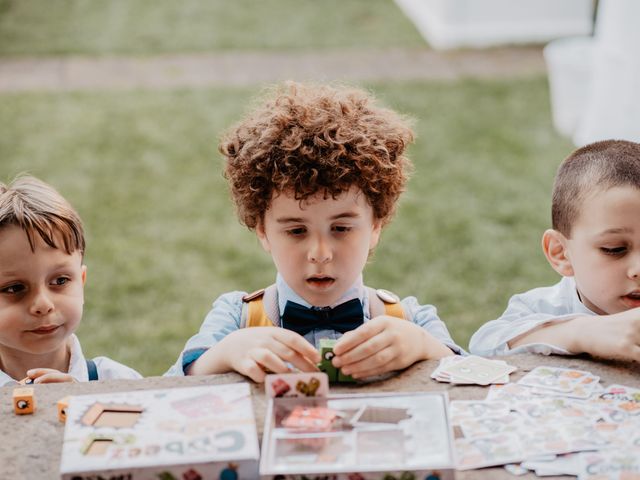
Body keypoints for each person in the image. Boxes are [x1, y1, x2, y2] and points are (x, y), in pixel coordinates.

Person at [168, 82, 461, 382]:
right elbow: (167, 391)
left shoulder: (412, 319)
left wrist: (425, 347)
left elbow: (473, 387)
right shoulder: (236, 318)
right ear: (262, 231)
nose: (320, 253)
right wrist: (224, 353)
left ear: (376, 226)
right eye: (296, 230)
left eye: (341, 228)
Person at [470, 139, 640, 362]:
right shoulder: (542, 308)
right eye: (614, 249)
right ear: (561, 253)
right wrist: (580, 333)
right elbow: (483, 346)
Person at [0, 175, 142, 385]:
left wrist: (82, 403)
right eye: (14, 288)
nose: (43, 304)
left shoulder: (118, 383)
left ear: (81, 281)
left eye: (60, 281)